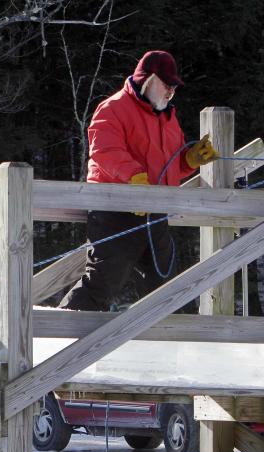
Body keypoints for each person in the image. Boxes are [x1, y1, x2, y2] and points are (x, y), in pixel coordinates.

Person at [60, 50, 219, 312]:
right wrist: (134, 176)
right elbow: (104, 151)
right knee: (103, 283)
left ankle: (174, 349)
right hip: (116, 211)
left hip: (154, 213)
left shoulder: (168, 118)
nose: (170, 91)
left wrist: (189, 161)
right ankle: (59, 337)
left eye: (173, 86)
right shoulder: (113, 108)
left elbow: (168, 167)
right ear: (147, 80)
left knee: (168, 289)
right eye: (166, 84)